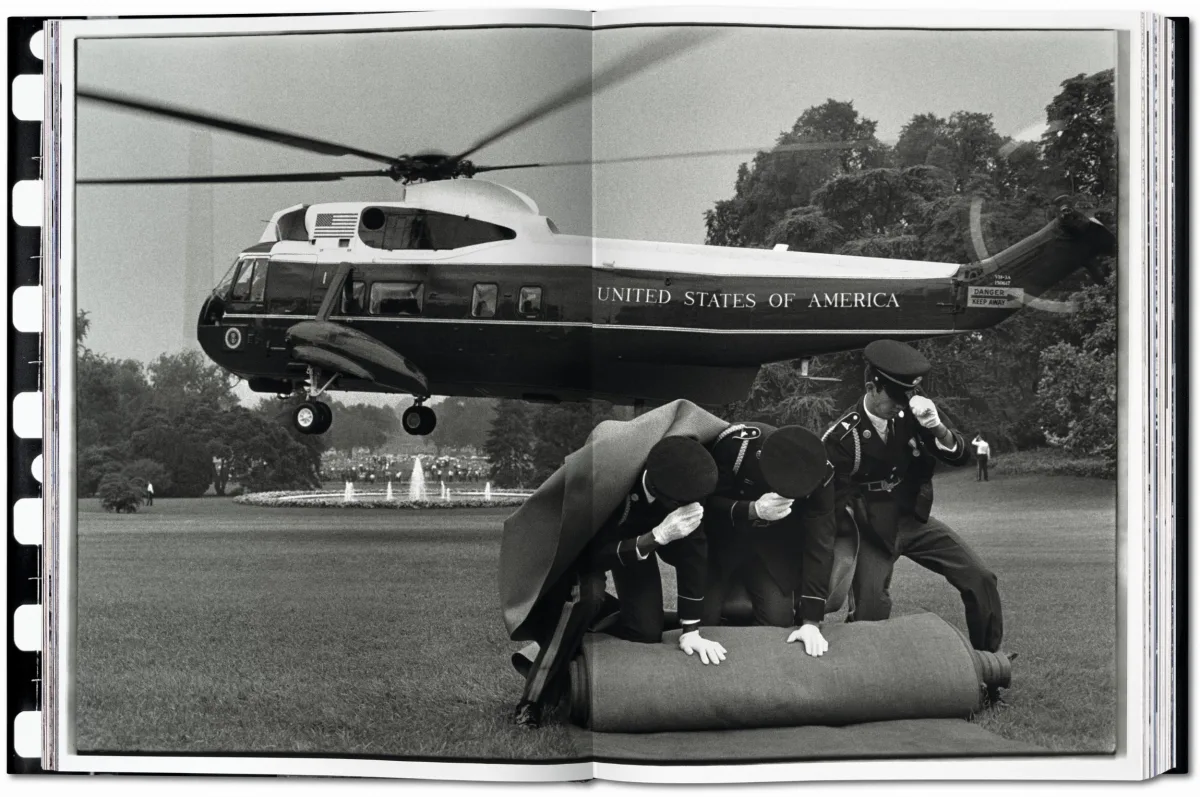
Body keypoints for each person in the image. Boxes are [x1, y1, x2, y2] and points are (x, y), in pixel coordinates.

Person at [512, 435, 725, 728]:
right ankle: (530, 701)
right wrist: (654, 538)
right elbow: (587, 554)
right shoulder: (609, 483)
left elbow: (694, 559)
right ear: (663, 492)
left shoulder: (684, 488)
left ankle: (576, 637)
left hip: (639, 545)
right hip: (583, 550)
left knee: (646, 630)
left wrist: (691, 631)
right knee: (587, 596)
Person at [823, 340, 1003, 653]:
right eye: (893, 398)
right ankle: (863, 673)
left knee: (980, 577)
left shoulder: (915, 411)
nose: (899, 406)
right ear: (872, 387)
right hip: (870, 527)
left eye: (905, 399)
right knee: (871, 611)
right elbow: (830, 504)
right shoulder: (842, 437)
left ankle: (989, 663)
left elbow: (960, 455)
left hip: (912, 517)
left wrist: (936, 428)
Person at [705, 423, 837, 657]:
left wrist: (811, 622)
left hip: (772, 549)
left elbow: (820, 543)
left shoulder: (821, 473)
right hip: (722, 544)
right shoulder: (739, 447)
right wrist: (751, 509)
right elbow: (706, 505)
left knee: (779, 623)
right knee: (703, 622)